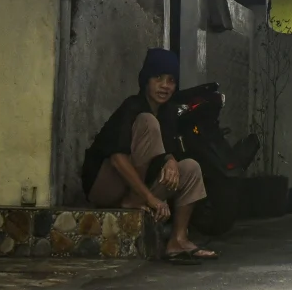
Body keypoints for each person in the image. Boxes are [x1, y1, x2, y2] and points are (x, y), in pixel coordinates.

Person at [81, 48, 218, 263]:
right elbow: (117, 158)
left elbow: (167, 151)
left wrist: (171, 161)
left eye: (171, 80)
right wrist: (149, 197)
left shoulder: (169, 113)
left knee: (190, 168)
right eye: (158, 78)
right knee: (148, 122)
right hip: (104, 184)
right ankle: (133, 199)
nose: (165, 86)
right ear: (146, 80)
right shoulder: (132, 107)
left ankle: (178, 240)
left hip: (138, 187)